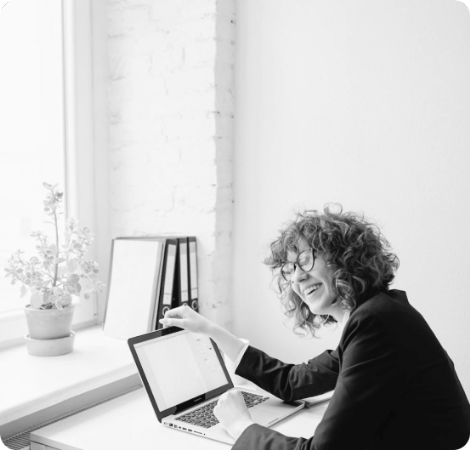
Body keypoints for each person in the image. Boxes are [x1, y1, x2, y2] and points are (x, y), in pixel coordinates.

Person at [160, 205, 470, 450]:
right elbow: (293, 382)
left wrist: (241, 425)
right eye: (290, 268)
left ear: (344, 258)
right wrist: (213, 331)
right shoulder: (380, 314)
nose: (295, 277)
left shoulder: (376, 324)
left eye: (305, 260)